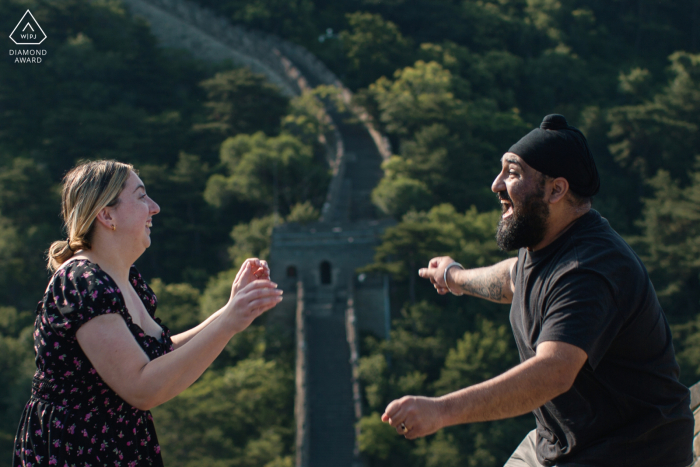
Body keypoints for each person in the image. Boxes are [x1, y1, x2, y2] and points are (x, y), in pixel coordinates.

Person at [381, 115, 694, 467]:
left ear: (556, 190)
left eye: (512, 173)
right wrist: (457, 277)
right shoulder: (546, 241)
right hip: (563, 443)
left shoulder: (587, 269)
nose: (496, 184)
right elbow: (516, 278)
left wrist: (440, 411)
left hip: (631, 452)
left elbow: (552, 372)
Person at [13, 160, 283, 467]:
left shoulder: (123, 280)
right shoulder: (81, 282)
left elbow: (160, 355)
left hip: (113, 446)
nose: (154, 207)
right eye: (141, 196)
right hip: (78, 452)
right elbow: (141, 387)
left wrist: (230, 312)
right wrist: (227, 324)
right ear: (107, 214)